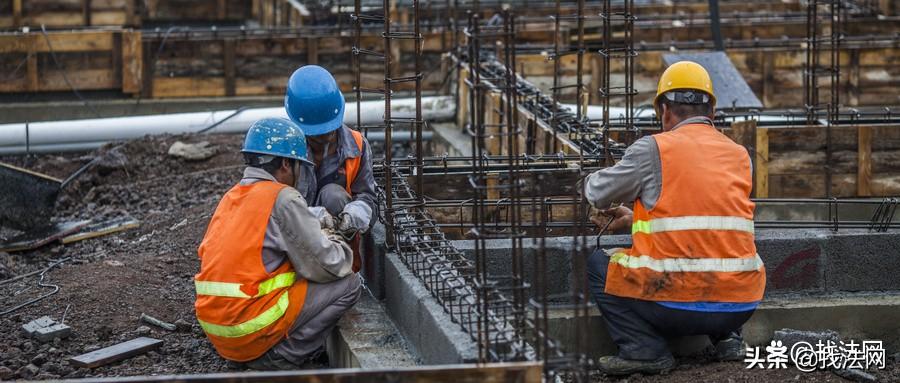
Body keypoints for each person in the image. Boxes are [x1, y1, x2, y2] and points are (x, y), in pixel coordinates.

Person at [582, 61, 766, 375]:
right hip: (741, 304)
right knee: (726, 252)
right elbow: (707, 214)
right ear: (712, 111)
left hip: (673, 305)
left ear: (664, 111)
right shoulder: (739, 154)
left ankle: (644, 351)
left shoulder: (653, 149)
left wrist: (583, 180)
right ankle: (728, 340)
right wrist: (636, 217)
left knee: (598, 263)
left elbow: (597, 193)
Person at [194, 117, 361, 370]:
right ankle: (281, 357)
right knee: (349, 284)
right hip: (248, 328)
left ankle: (249, 353)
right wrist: (334, 238)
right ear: (286, 163)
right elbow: (328, 265)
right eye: (299, 166)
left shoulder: (231, 197)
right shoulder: (282, 197)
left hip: (218, 331)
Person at [285, 65, 377, 273]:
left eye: (329, 130)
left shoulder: (357, 145)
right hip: (293, 237)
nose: (326, 136)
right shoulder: (285, 150)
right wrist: (308, 217)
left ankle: (341, 268)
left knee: (333, 195)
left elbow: (368, 198)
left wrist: (356, 213)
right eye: (317, 134)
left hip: (338, 242)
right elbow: (270, 204)